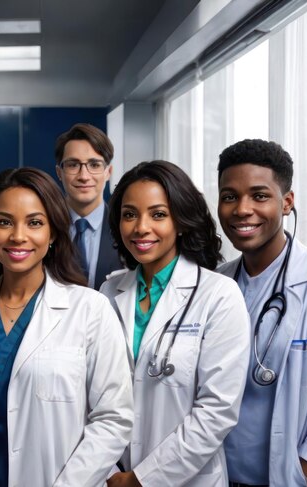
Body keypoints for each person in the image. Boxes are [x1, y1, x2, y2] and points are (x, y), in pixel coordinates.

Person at [0, 167, 133, 487]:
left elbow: (113, 419)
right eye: (4, 222)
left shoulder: (90, 310)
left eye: (35, 222)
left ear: (53, 232)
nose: (18, 235)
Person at [100, 161, 250, 487]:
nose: (141, 227)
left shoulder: (218, 296)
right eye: (129, 215)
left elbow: (216, 411)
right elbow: (90, 395)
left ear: (180, 221)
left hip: (188, 479)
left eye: (158, 214)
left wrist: (140, 480)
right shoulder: (108, 292)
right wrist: (110, 473)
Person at [217, 139, 307, 487]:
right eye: (229, 196)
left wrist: (304, 474)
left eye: (259, 195)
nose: (242, 209)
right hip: (215, 476)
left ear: (287, 203)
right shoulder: (215, 284)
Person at [55, 123, 123, 289]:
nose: (84, 176)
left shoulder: (124, 228)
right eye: (73, 165)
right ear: (59, 173)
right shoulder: (45, 227)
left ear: (108, 172)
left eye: (94, 165)